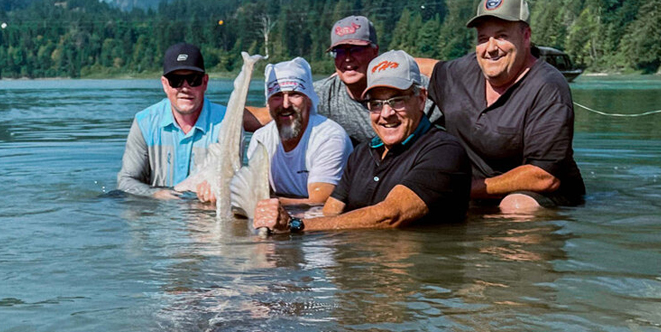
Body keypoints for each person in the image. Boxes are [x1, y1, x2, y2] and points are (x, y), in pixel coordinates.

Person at [252, 52, 470, 233]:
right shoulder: (361, 155)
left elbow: (391, 216)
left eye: (397, 101)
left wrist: (295, 226)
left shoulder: (444, 151)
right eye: (376, 103)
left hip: (420, 281)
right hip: (363, 275)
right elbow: (329, 212)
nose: (386, 113)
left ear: (421, 99)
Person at [417, 0, 585, 213]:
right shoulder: (462, 71)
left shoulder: (548, 88)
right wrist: (370, 69)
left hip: (541, 195)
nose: (491, 48)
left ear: (526, 36)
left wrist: (463, 188)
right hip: (474, 192)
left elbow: (544, 177)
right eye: (483, 38)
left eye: (502, 36)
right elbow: (425, 68)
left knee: (516, 206)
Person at [117, 43, 228, 199]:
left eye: (193, 79)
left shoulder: (227, 124)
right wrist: (155, 194)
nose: (185, 87)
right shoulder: (144, 122)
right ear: (164, 84)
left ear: (205, 82)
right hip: (157, 214)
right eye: (176, 80)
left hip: (204, 214)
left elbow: (232, 180)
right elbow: (126, 182)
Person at [315, 15, 439, 145]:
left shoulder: (414, 86)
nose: (347, 58)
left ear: (375, 51)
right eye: (339, 51)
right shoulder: (321, 96)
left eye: (356, 50)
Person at [247, 58, 352, 208]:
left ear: (308, 100)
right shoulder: (260, 138)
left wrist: (264, 202)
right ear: (268, 103)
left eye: (294, 94)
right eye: (277, 96)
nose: (285, 104)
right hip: (280, 216)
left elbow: (320, 203)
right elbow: (258, 192)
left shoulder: (330, 137)